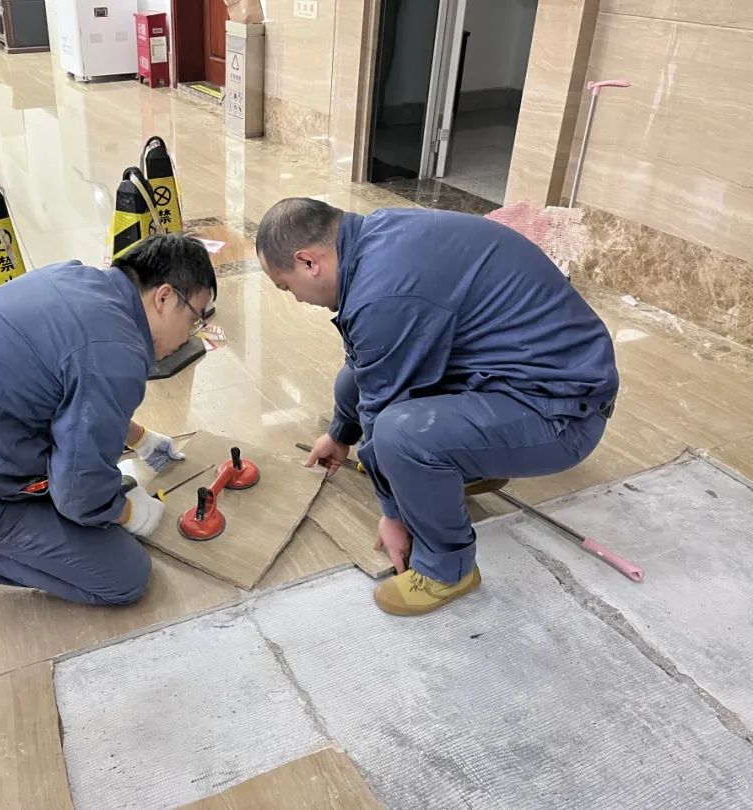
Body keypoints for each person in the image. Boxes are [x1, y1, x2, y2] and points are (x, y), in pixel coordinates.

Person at [256, 199, 619, 617]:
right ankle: (467, 464)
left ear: (308, 262)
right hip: (521, 373)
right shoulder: (379, 238)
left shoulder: (381, 294)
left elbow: (383, 413)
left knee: (400, 435)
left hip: (561, 412)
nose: (296, 299)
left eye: (286, 287)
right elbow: (367, 369)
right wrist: (340, 434)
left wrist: (394, 515)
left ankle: (448, 570)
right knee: (352, 382)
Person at [0, 233, 216, 604]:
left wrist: (140, 439)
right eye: (194, 319)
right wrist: (132, 513)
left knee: (96, 478)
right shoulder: (118, 349)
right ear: (164, 297)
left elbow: (69, 386)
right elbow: (79, 496)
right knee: (125, 577)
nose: (188, 336)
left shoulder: (78, 280)